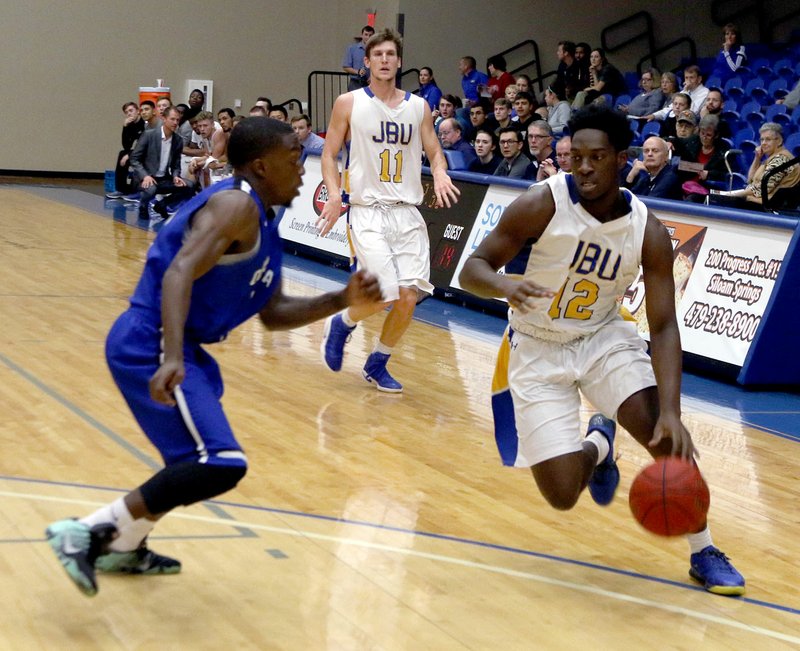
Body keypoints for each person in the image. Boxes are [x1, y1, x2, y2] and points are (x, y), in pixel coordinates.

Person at [45, 117, 383, 597]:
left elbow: (274, 313)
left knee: (190, 464)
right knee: (221, 461)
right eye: (295, 161)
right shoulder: (235, 205)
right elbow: (179, 270)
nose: (303, 173)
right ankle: (89, 532)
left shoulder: (261, 218)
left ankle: (126, 544)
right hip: (152, 340)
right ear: (262, 166)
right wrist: (169, 355)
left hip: (179, 345)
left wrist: (341, 300)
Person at [457, 104, 745, 596]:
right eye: (577, 158)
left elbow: (664, 325)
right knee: (563, 493)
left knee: (664, 439)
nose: (584, 167)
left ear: (621, 159)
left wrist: (672, 412)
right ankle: (601, 444)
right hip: (537, 347)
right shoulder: (541, 202)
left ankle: (704, 549)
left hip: (602, 339)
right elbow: (473, 268)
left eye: (597, 157)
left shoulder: (647, 230)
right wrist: (504, 285)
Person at [318, 28, 460, 393]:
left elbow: (434, 149)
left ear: (399, 61)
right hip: (367, 210)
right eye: (377, 54)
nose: (384, 60)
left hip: (408, 212)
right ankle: (342, 323)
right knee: (384, 294)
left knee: (409, 297)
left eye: (390, 55)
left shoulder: (419, 107)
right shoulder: (348, 102)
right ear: (366, 62)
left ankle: (377, 362)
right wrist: (335, 195)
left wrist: (441, 173)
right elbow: (329, 153)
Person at [711, 122, 800, 208]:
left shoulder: (781, 159)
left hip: (767, 207)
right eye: (762, 139)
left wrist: (731, 194)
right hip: (757, 202)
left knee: (721, 201)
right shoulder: (772, 158)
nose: (763, 143)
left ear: (779, 141)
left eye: (768, 139)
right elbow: (750, 180)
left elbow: (761, 189)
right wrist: (757, 158)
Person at [129, 106, 194, 221]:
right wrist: (145, 176)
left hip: (164, 178)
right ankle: (143, 207)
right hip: (145, 177)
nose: (175, 123)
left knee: (189, 185)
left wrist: (175, 176)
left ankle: (162, 205)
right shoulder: (149, 135)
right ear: (164, 119)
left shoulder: (177, 140)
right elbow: (134, 159)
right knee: (151, 189)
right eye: (172, 119)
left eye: (177, 120)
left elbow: (176, 164)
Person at [106, 101, 146, 198]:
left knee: (125, 155)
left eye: (131, 110)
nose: (129, 114)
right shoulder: (130, 125)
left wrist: (129, 155)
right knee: (122, 153)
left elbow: (143, 145)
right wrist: (125, 127)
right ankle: (121, 189)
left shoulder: (144, 124)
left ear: (138, 111)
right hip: (136, 152)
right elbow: (126, 146)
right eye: (126, 112)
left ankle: (133, 189)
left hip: (146, 152)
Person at [625, 135, 682, 199]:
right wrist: (630, 176)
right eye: (646, 151)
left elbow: (648, 204)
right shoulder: (646, 177)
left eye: (655, 151)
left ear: (666, 156)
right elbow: (623, 200)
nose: (650, 154)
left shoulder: (670, 177)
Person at [342, 25, 375, 91]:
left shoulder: (377, 50)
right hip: (355, 83)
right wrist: (357, 71)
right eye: (366, 34)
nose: (368, 37)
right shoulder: (352, 49)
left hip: (371, 83)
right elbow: (345, 67)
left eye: (370, 35)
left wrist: (373, 77)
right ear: (362, 35)